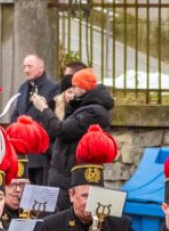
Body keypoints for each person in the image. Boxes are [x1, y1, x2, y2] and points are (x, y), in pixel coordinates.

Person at [28, 67, 113, 204]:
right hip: (65, 175)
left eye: (75, 86)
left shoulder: (93, 111)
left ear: (84, 87)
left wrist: (44, 109)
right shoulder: (85, 107)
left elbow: (61, 130)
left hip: (71, 177)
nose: (72, 89)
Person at [10, 54, 61, 187]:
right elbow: (15, 115)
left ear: (41, 68)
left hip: (42, 153)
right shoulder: (22, 88)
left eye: (30, 66)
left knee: (40, 194)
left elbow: (55, 118)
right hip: (24, 154)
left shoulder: (54, 88)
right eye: (24, 66)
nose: (26, 70)